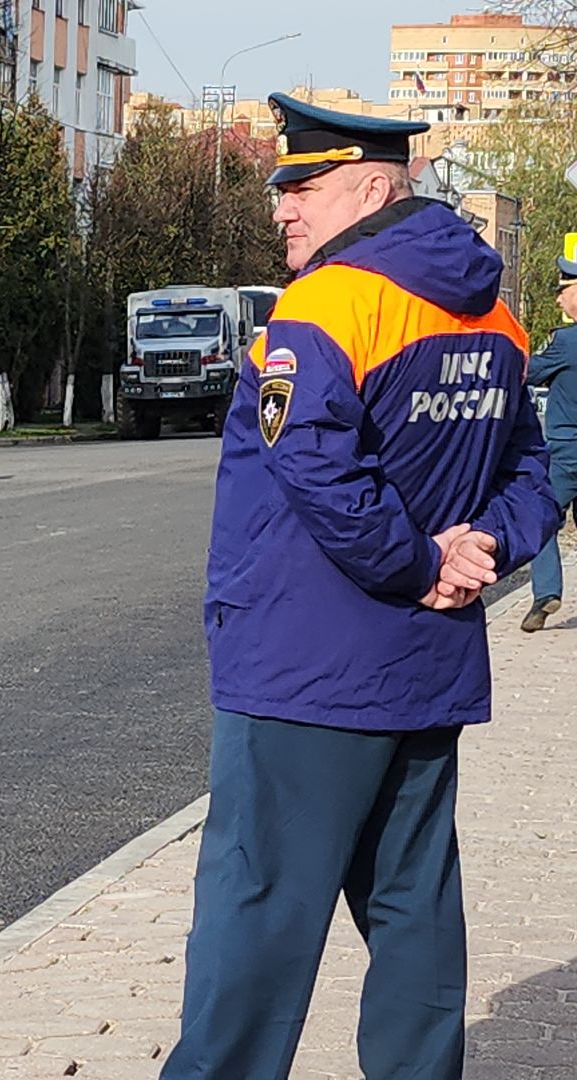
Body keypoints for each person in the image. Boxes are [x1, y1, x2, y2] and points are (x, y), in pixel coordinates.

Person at [163, 93, 560, 1079]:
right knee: (414, 908)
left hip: (307, 670)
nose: (282, 209)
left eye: (303, 187)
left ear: (374, 187)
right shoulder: (497, 317)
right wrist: (482, 556)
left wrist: (423, 564)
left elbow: (314, 468)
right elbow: (532, 476)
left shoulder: (326, 305)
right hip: (425, 671)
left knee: (256, 919)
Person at [520, 256, 577, 632]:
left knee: (539, 518)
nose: (558, 300)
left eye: (562, 291)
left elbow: (526, 372)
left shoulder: (565, 342)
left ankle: (545, 595)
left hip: (567, 452)